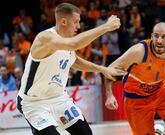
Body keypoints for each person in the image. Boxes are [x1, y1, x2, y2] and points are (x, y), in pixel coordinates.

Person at [16, 3, 123, 135]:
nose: (78, 26)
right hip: (34, 102)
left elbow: (74, 60)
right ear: (64, 21)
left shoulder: (67, 42)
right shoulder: (45, 38)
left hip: (58, 99)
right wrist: (106, 27)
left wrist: (102, 69)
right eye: (76, 22)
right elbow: (74, 44)